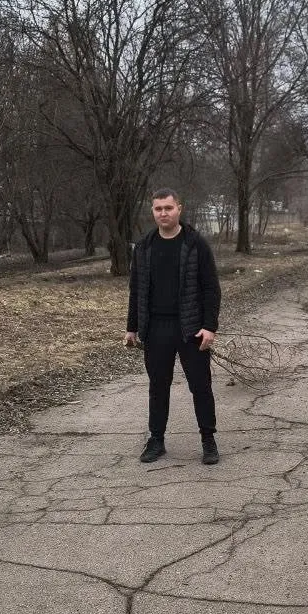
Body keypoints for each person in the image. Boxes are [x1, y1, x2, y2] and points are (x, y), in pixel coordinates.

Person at [124, 188, 222, 465]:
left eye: (168, 208)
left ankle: (208, 439)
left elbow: (211, 288)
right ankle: (156, 440)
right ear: (152, 211)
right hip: (156, 328)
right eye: (158, 209)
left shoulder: (195, 243)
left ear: (179, 208)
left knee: (200, 386)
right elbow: (136, 290)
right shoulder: (144, 247)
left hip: (191, 328)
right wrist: (131, 327)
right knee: (158, 386)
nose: (163, 213)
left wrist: (209, 327)